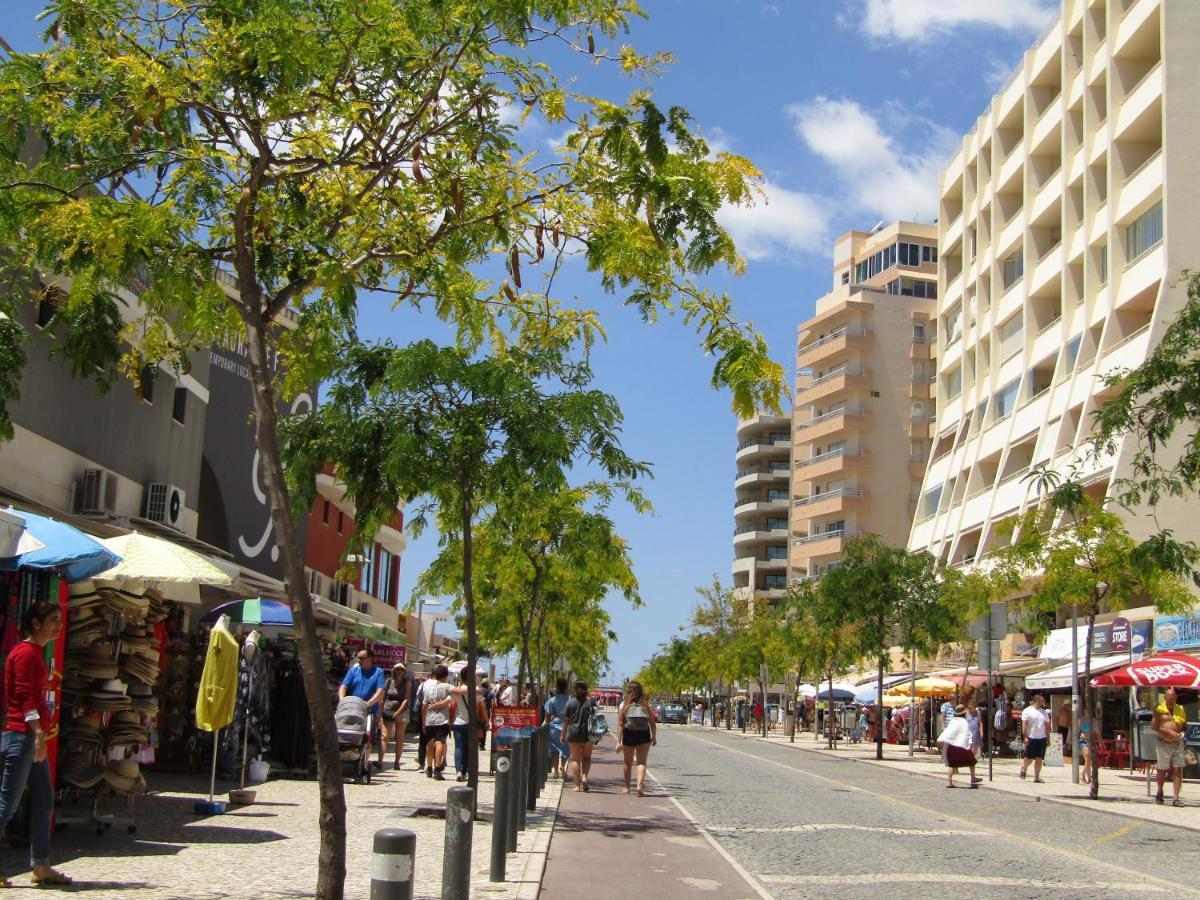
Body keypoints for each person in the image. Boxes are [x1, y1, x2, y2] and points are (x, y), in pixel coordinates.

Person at [0, 600, 71, 886]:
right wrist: (39, 732)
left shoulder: (35, 652)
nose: (58, 625)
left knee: (43, 800)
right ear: (36, 623)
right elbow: (24, 697)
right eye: (53, 619)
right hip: (24, 735)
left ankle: (40, 865)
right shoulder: (26, 653)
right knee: (8, 802)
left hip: (29, 735)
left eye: (60, 620)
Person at [338, 648, 387, 770]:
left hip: (368, 710)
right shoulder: (353, 671)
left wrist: (369, 703)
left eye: (361, 658)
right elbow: (343, 686)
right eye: (358, 657)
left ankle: (363, 764)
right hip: (351, 707)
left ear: (370, 659)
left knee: (367, 737)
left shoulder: (378, 672)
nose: (358, 660)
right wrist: (342, 700)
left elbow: (380, 690)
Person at [617, 681, 656, 796]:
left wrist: (618, 741)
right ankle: (639, 786)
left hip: (629, 734)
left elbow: (620, 724)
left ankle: (627, 787)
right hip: (644, 735)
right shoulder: (646, 705)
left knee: (627, 762)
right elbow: (652, 724)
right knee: (641, 762)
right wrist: (654, 737)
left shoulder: (624, 705)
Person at [448, 671, 486, 782]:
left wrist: (450, 722)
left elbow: (452, 707)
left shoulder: (456, 691)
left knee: (459, 747)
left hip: (458, 722)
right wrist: (485, 721)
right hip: (472, 723)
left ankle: (459, 770)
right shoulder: (477, 692)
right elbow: (481, 707)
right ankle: (465, 771)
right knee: (469, 748)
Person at [1153, 687, 1187, 806]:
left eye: (1174, 699)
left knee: (1177, 770)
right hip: (1163, 743)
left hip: (1177, 743)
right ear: (1165, 697)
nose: (1172, 701)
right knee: (1162, 769)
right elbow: (1154, 727)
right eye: (1170, 699)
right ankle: (1159, 792)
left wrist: (1183, 732)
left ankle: (1176, 798)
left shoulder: (1180, 709)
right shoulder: (1159, 709)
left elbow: (1184, 725)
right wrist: (1169, 733)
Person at [419, 665, 454, 780]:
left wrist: (424, 722)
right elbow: (451, 699)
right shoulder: (448, 687)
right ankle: (437, 768)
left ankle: (429, 767)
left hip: (430, 720)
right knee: (440, 743)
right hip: (442, 719)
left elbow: (424, 706)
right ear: (446, 676)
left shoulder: (429, 688)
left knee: (430, 744)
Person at [561, 680, 596, 792]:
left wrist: (563, 735)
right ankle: (584, 777)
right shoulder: (591, 702)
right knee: (587, 758)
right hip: (588, 734)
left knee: (575, 760)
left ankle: (577, 785)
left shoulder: (570, 703)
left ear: (575, 690)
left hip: (573, 733)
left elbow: (566, 721)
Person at [937, 704, 978, 788]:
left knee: (952, 765)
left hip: (952, 747)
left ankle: (949, 782)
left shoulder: (953, 721)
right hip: (962, 747)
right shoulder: (965, 722)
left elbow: (948, 732)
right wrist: (968, 743)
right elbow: (966, 734)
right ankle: (973, 778)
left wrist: (941, 742)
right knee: (972, 762)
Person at [380, 663, 411, 770]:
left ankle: (397, 762)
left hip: (402, 711)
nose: (399, 671)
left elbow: (406, 698)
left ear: (404, 671)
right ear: (394, 670)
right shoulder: (388, 681)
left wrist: (398, 712)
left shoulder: (407, 682)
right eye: (397, 669)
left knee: (399, 737)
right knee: (384, 736)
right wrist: (380, 710)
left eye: (401, 670)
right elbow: (383, 697)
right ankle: (380, 760)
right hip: (388, 710)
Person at [543, 678, 571, 780]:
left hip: (554, 727)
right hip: (566, 727)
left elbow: (547, 716)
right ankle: (562, 768)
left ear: (557, 687)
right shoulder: (570, 699)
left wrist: (546, 724)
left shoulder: (551, 701)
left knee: (554, 751)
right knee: (566, 750)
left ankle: (555, 772)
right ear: (566, 687)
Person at [1020, 693, 1050, 783]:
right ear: (1037, 701)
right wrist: (1025, 737)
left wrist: (1048, 738)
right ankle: (1024, 768)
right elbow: (1024, 724)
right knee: (1029, 757)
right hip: (1031, 737)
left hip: (1042, 737)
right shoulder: (1027, 711)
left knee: (1039, 758)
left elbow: (1047, 725)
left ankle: (1036, 777)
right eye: (1042, 701)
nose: (1043, 702)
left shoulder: (1044, 712)